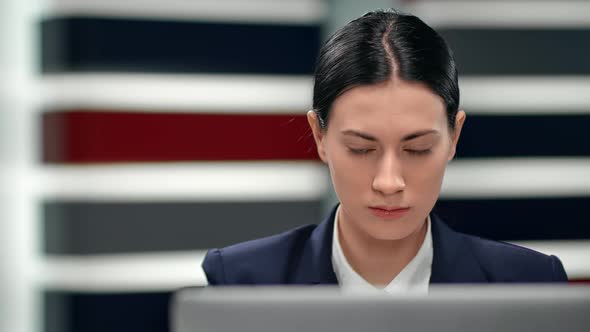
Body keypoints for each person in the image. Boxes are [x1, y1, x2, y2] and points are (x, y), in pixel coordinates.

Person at [202, 9, 568, 291]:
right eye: (361, 149)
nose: (389, 182)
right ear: (319, 136)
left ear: (454, 136)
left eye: (418, 148)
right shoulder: (240, 280)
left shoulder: (527, 282)